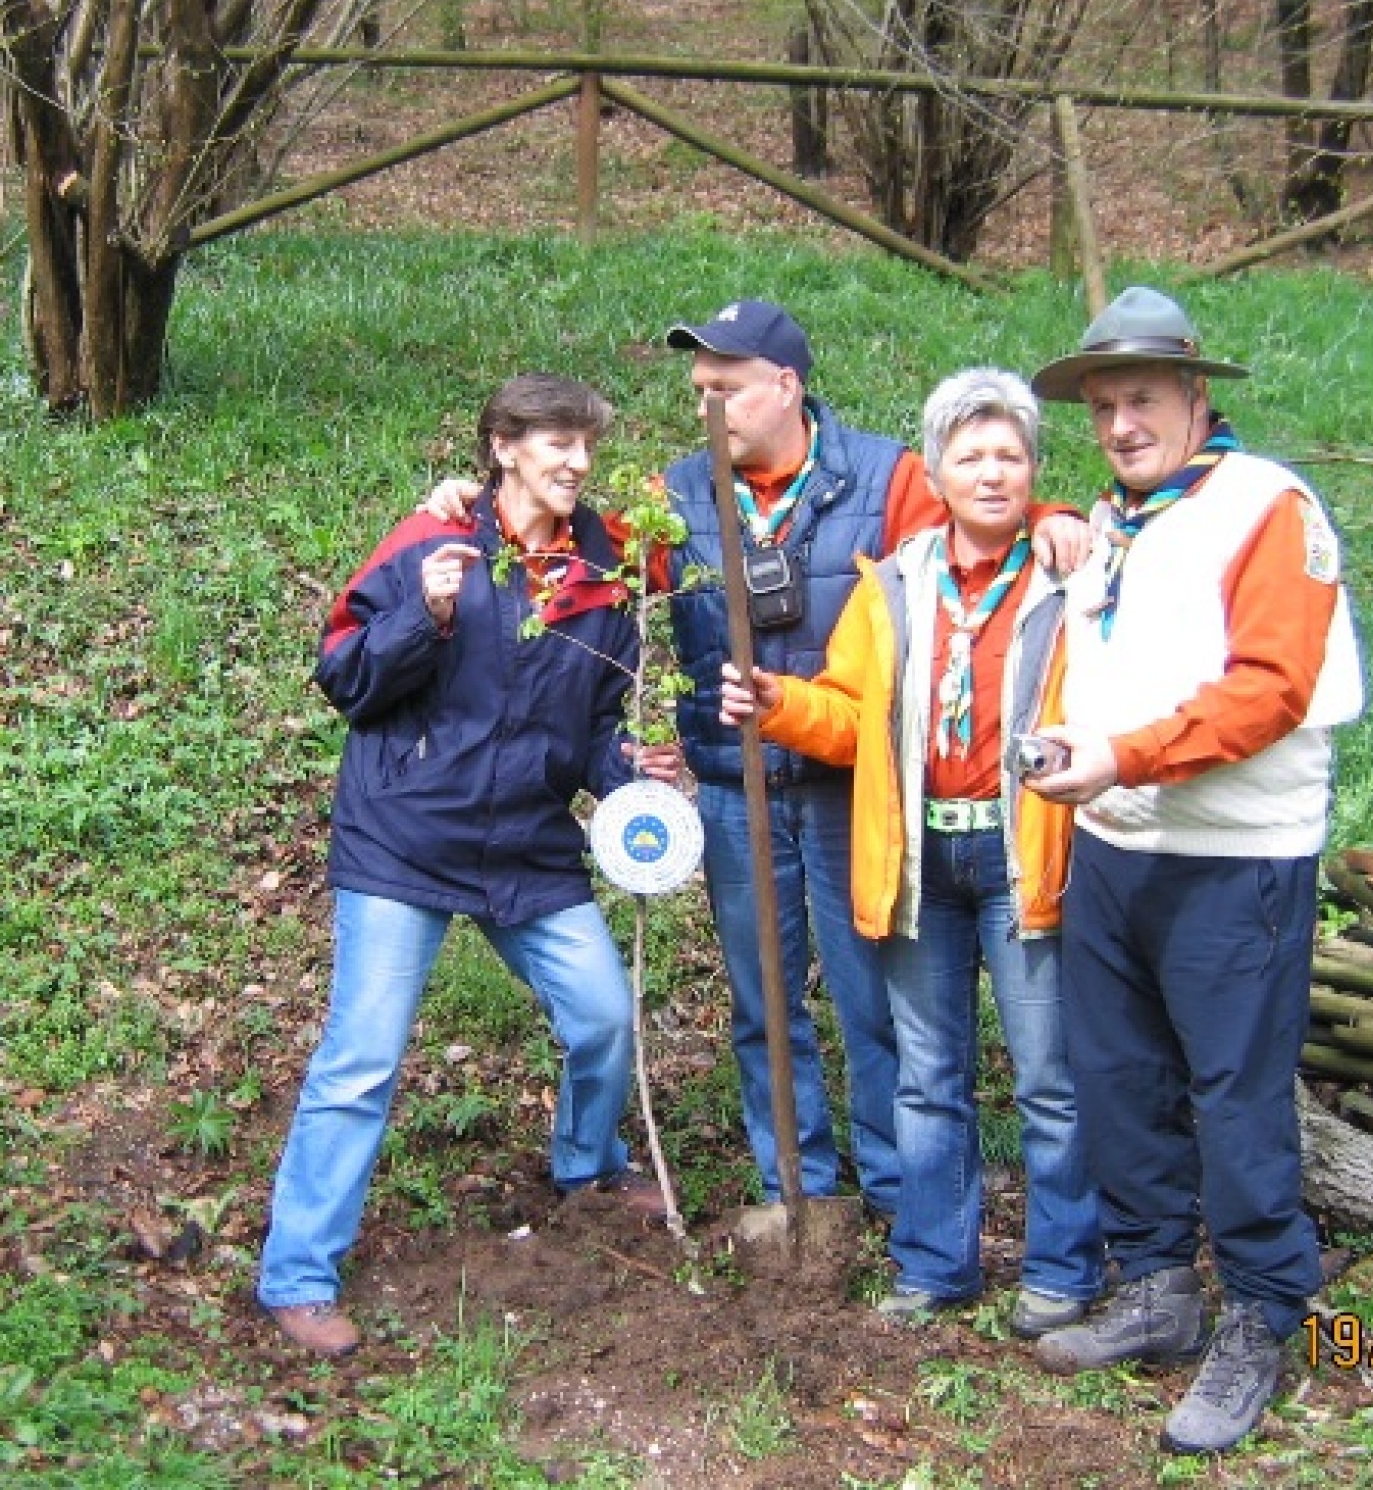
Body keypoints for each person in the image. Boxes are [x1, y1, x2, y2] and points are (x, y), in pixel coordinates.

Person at [420, 301, 1087, 1216]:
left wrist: (1053, 516)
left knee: (871, 1003)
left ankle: (896, 1192)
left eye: (724, 388)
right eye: (699, 388)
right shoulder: (676, 495)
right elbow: (573, 552)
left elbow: (985, 517)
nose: (707, 405)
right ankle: (795, 1191)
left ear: (785, 386)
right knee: (763, 1006)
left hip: (854, 789)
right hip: (735, 792)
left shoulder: (884, 477)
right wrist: (475, 506)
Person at [257, 374, 679, 1358]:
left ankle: (586, 1163)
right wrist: (425, 614)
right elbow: (344, 678)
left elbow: (591, 727)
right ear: (503, 447)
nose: (576, 462)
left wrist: (633, 777)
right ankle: (298, 1274)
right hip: (404, 836)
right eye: (556, 443)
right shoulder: (431, 540)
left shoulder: (604, 567)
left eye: (585, 445)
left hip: (526, 846)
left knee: (602, 1016)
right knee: (361, 1062)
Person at [1024, 288, 1365, 1453]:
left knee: (1233, 1093)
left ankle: (1265, 1311)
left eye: (1140, 400)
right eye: (1101, 407)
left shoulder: (1265, 506)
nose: (1118, 424)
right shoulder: (1117, 517)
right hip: (1115, 846)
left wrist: (1123, 754)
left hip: (1235, 861)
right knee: (1119, 1077)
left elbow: (1268, 687)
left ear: (1192, 396)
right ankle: (1157, 1285)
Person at [719, 369, 1101, 1333]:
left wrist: (1065, 522)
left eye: (1009, 456)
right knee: (927, 1080)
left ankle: (1062, 1268)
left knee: (1048, 1078)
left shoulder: (1071, 576)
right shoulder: (891, 585)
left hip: (1024, 857)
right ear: (934, 475)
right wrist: (779, 704)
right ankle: (935, 1263)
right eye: (969, 457)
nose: (990, 473)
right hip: (921, 861)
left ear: (1033, 471)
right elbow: (853, 719)